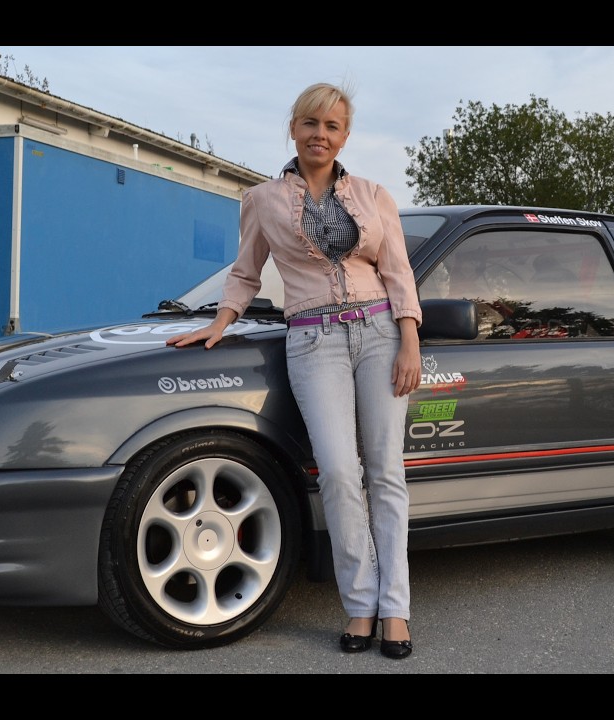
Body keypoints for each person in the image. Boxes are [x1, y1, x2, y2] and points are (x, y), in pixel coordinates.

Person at [166, 81, 421, 660]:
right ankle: (360, 604)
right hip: (313, 340)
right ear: (293, 128)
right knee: (336, 470)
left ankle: (396, 610)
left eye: (332, 127)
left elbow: (399, 272)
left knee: (385, 472)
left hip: (380, 333)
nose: (320, 135)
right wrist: (219, 323)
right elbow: (245, 271)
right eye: (310, 124)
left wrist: (410, 340)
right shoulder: (261, 200)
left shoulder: (374, 195)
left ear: (345, 136)